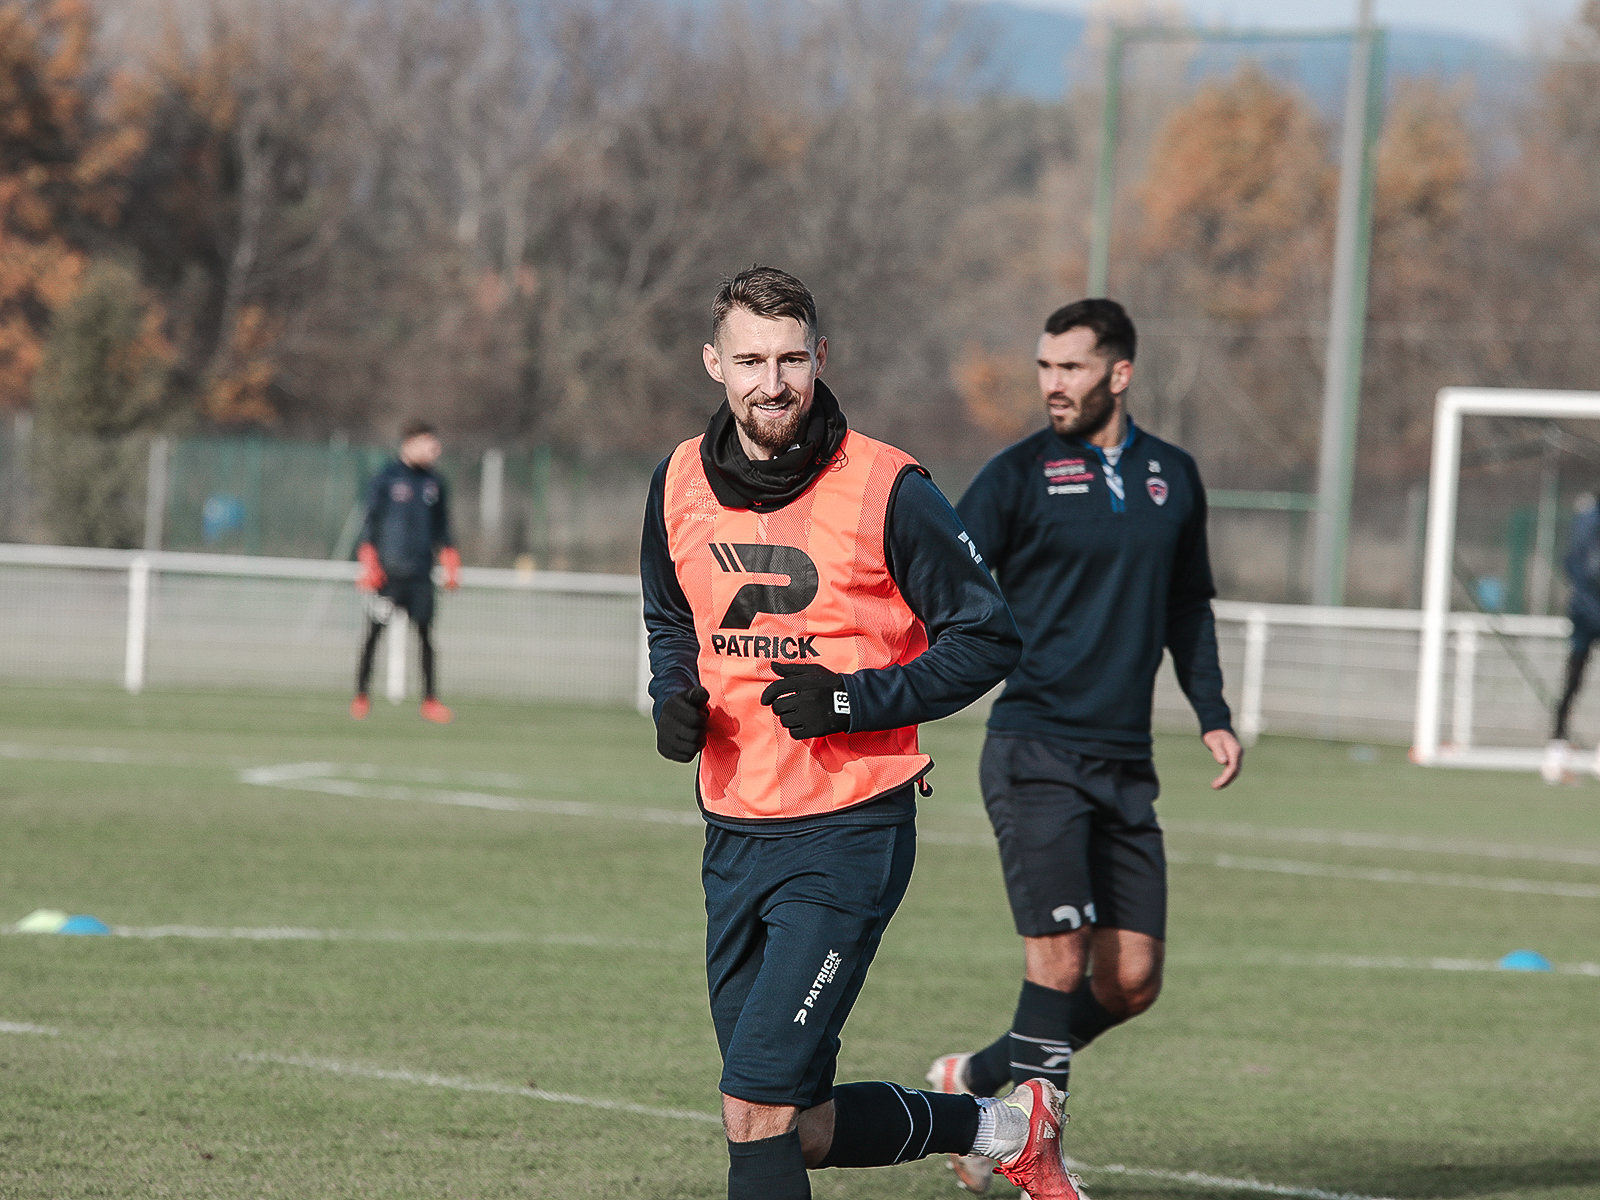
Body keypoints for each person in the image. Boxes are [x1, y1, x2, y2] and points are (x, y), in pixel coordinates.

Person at [641, 266, 1087, 1200]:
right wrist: (673, 695)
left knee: (751, 1108)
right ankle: (1006, 1127)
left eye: (792, 359)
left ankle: (1006, 1128)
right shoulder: (677, 479)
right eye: (752, 360)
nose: (774, 382)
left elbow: (988, 636)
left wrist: (854, 701)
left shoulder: (890, 487)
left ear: (821, 359)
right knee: (792, 1124)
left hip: (849, 829)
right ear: (714, 363)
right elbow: (671, 616)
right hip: (733, 828)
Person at [926, 298, 1242, 1192]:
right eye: (1043, 367)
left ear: (1120, 373)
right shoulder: (1019, 473)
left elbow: (1188, 606)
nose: (1051, 384)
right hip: (1034, 752)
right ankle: (1039, 1159)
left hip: (1125, 764)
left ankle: (976, 1083)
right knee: (1059, 962)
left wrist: (1212, 710)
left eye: (1069, 367)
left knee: (1132, 980)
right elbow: (943, 573)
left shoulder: (1173, 477)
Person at [351, 419, 460, 723]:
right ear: (410, 443)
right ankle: (361, 695)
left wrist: (450, 558)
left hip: (421, 573)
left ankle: (430, 700)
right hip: (388, 576)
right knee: (373, 634)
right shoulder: (386, 477)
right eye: (429, 442)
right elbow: (370, 522)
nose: (434, 449)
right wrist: (368, 560)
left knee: (426, 636)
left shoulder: (435, 482)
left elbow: (443, 527)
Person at [1542, 494, 1600, 783]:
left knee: (1573, 680)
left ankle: (1556, 751)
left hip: (1583, 611)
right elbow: (1580, 567)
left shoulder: (1585, 521)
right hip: (1587, 613)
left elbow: (1571, 564)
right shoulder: (1589, 522)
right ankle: (1556, 752)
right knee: (1573, 680)